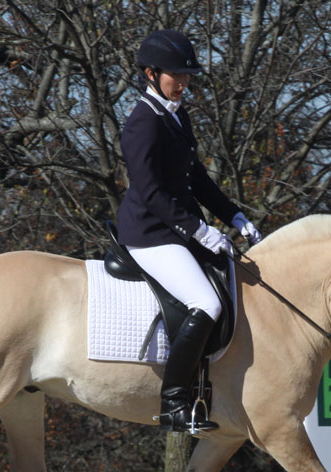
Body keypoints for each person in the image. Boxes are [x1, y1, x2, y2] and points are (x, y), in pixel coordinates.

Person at [116, 29, 262, 432]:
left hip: (175, 228)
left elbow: (196, 178)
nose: (183, 83)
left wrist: (234, 216)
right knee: (207, 304)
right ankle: (174, 403)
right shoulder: (142, 122)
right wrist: (199, 230)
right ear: (151, 73)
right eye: (176, 76)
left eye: (187, 76)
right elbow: (149, 192)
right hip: (149, 232)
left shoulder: (177, 114)